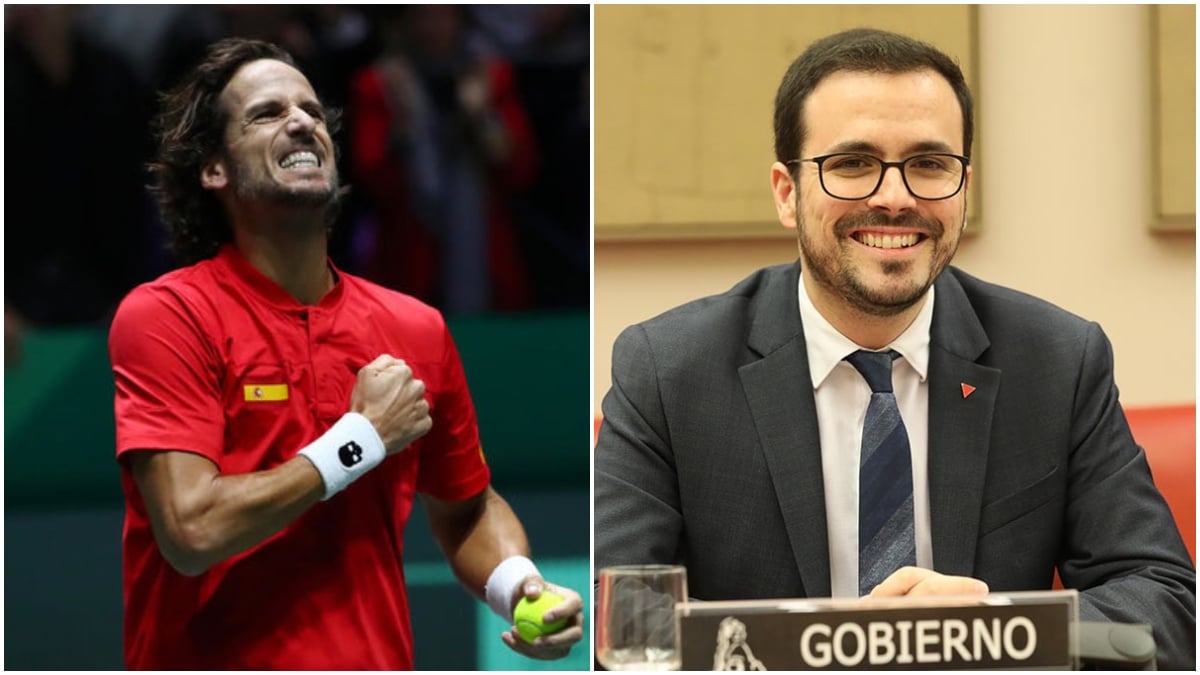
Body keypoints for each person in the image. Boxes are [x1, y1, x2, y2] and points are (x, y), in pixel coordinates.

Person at [594, 28, 1195, 670]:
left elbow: (1162, 614)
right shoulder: (668, 370)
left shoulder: (1056, 361)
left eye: (930, 164)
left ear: (964, 186)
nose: (894, 197)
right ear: (786, 192)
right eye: (852, 164)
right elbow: (624, 625)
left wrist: (999, 632)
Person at [108, 38, 582, 669]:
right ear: (214, 168)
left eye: (309, 108)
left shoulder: (416, 329)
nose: (303, 121)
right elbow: (192, 531)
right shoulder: (167, 315)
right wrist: (357, 439)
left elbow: (467, 507)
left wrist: (516, 581)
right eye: (266, 113)